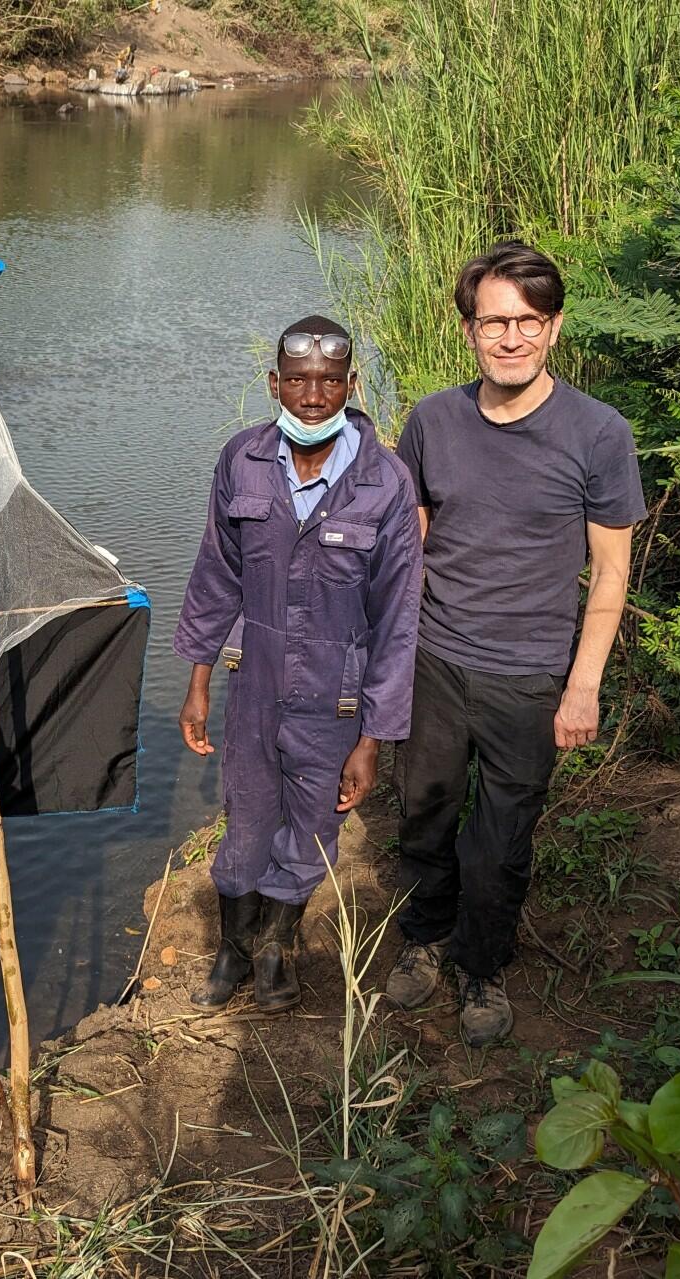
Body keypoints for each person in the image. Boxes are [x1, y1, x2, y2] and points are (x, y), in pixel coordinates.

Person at [387, 241, 647, 1046]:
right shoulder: (432, 419)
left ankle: (481, 965)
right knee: (424, 817)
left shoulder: (598, 434)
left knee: (500, 841)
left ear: (555, 328)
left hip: (531, 673)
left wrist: (584, 684)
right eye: (494, 321)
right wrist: (383, 658)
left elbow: (609, 574)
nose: (511, 338)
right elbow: (410, 548)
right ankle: (425, 937)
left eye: (528, 322)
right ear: (468, 329)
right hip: (435, 658)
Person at [174, 316, 423, 1012]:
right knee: (246, 819)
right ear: (274, 383)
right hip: (253, 687)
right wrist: (197, 684)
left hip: (335, 700)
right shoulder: (242, 461)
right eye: (299, 380)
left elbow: (397, 619)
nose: (313, 395)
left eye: (329, 381)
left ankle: (278, 946)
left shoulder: (386, 480)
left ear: (351, 384)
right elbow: (214, 576)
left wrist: (373, 740)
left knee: (311, 828)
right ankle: (234, 949)